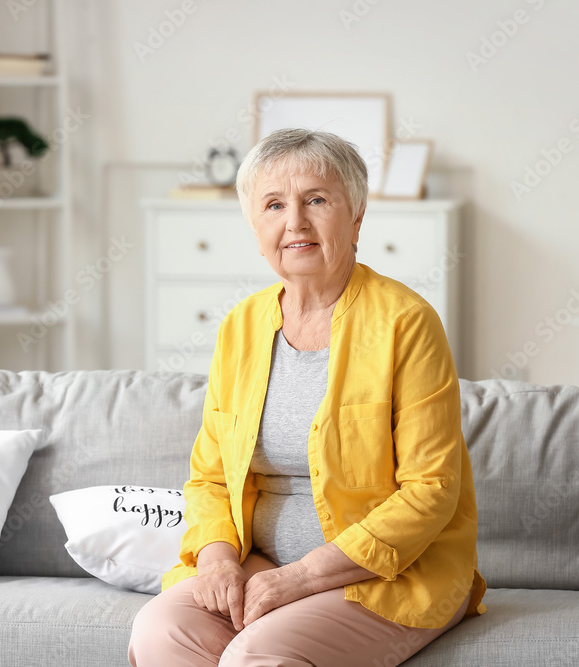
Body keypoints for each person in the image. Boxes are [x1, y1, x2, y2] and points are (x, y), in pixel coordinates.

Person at [128, 128, 485, 667]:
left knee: (256, 654)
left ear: (356, 215)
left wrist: (298, 579)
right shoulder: (241, 326)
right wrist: (219, 562)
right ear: (256, 225)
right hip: (260, 563)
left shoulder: (406, 323)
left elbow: (430, 490)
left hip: (385, 574)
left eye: (316, 200)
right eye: (274, 204)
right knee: (162, 630)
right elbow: (210, 478)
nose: (295, 221)